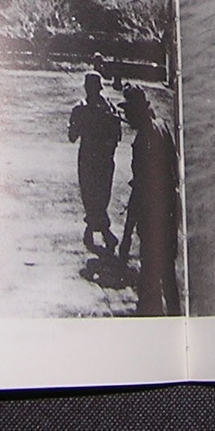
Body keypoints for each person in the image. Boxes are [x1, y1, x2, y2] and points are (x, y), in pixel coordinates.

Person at [118, 84, 181, 316]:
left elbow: (140, 191)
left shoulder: (142, 141)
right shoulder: (162, 127)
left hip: (153, 220)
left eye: (128, 111)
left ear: (137, 111)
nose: (125, 116)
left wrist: (126, 236)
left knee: (150, 287)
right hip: (170, 213)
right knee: (168, 277)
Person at [67, 71, 122, 255]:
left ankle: (100, 232)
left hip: (91, 158)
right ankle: (97, 232)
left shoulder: (81, 108)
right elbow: (117, 136)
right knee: (99, 196)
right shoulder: (109, 107)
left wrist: (78, 125)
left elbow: (72, 137)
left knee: (91, 196)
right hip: (104, 158)